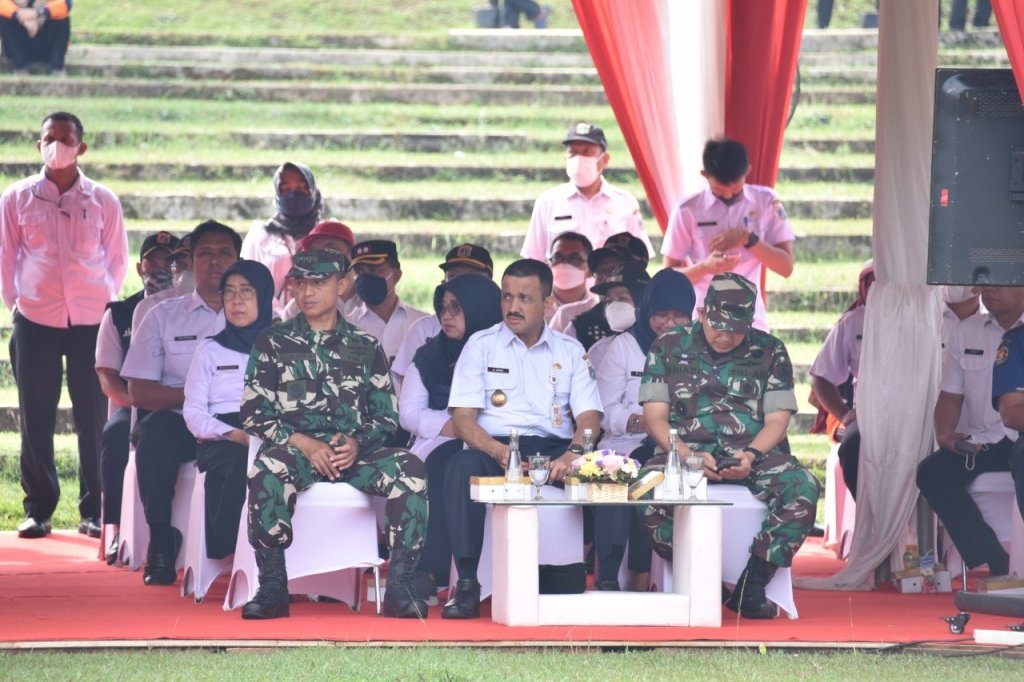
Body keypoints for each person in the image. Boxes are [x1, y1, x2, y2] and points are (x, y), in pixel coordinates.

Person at [240, 248, 429, 620]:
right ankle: (273, 587)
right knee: (266, 471)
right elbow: (253, 412)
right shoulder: (272, 342)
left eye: (319, 282)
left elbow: (386, 416)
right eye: (300, 282)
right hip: (296, 453)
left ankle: (401, 588)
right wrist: (304, 443)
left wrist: (357, 444)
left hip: (354, 456)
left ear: (343, 284)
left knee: (411, 469)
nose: (307, 291)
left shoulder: (365, 345)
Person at [637, 273, 819, 619]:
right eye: (718, 327)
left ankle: (754, 582)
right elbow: (655, 418)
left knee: (804, 486)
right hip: (685, 454)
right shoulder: (668, 345)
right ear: (702, 313)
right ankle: (705, 577)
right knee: (643, 488)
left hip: (753, 454)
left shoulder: (770, 350)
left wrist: (751, 455)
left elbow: (777, 420)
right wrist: (688, 457)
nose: (725, 337)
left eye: (735, 330)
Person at [441, 258, 603, 619]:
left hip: (555, 450)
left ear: (548, 304)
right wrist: (497, 450)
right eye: (507, 296)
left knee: (607, 474)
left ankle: (606, 581)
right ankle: (467, 583)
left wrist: (574, 454)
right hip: (495, 446)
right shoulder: (481, 345)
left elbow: (590, 417)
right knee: (460, 465)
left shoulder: (570, 350)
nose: (513, 307)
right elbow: (463, 420)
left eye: (524, 299)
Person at [1, 111, 128, 540]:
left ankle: (95, 509)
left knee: (93, 415)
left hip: (91, 320)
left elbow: (117, 259)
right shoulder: (17, 197)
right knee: (35, 416)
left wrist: (101, 300)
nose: (57, 145)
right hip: (35, 318)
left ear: (81, 147)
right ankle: (38, 509)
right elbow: (6, 256)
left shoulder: (103, 200)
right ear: (38, 145)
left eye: (66, 138)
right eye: (49, 138)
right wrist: (16, 303)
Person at [120, 220, 240, 585]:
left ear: (239, 260)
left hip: (238, 427)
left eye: (224, 253)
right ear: (190, 260)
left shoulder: (263, 317)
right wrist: (196, 399)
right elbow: (139, 391)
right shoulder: (162, 316)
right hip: (179, 423)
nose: (215, 261)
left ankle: (236, 552)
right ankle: (161, 538)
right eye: (205, 253)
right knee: (155, 432)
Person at [398, 274, 503, 597]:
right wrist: (457, 426)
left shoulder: (505, 352)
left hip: (498, 440)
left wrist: (480, 432)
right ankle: (432, 569)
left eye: (457, 307)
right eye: (443, 307)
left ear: (480, 308)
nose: (447, 315)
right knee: (445, 463)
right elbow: (409, 413)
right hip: (442, 438)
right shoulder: (430, 356)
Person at [591, 269, 688, 591]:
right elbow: (604, 410)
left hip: (676, 446)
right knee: (613, 472)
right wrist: (645, 422)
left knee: (655, 473)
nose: (669, 323)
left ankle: (646, 574)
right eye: (661, 314)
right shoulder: (625, 346)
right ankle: (609, 575)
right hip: (625, 441)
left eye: (678, 315)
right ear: (646, 311)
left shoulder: (696, 350)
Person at [918, 285, 1024, 578]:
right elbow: (950, 396)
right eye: (984, 281)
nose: (989, 288)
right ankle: (995, 559)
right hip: (985, 442)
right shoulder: (967, 331)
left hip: (1021, 436)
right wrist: (944, 435)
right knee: (931, 473)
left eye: (1000, 282)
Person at [95, 230, 178, 562]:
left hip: (181, 405)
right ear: (139, 267)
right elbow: (108, 378)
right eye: (152, 260)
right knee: (116, 433)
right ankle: (118, 529)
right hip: (135, 404)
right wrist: (141, 403)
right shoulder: (119, 313)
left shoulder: (191, 309)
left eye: (169, 261)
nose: (161, 267)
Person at [183, 260, 275, 560]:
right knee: (238, 464)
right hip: (222, 437)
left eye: (246, 291)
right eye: (230, 292)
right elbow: (194, 412)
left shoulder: (284, 348)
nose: (236, 301)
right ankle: (235, 551)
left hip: (274, 430)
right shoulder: (209, 350)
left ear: (264, 296)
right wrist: (231, 433)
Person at [661, 137, 795, 332]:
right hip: (703, 322)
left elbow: (786, 267)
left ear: (747, 171)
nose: (728, 196)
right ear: (705, 175)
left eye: (736, 189)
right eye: (719, 190)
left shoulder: (767, 202)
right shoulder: (687, 210)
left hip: (751, 321)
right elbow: (667, 281)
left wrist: (749, 239)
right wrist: (704, 267)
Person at [521, 122, 651, 262]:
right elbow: (533, 259)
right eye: (573, 152)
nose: (578, 159)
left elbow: (640, 257)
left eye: (586, 152)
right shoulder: (548, 202)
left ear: (604, 159)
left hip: (610, 276)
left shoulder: (625, 203)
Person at [809, 260, 874, 498]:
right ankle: (869, 510)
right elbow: (820, 377)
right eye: (872, 285)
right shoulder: (853, 322)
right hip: (866, 415)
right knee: (852, 445)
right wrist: (844, 414)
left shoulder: (920, 319)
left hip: (914, 414)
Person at [391, 243, 494, 385]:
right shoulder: (423, 330)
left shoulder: (504, 331)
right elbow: (407, 390)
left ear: (489, 285)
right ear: (443, 283)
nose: (460, 284)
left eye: (470, 277)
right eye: (453, 276)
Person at [347, 239, 430, 379]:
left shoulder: (423, 324)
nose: (366, 278)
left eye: (374, 270)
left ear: (396, 275)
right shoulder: (344, 328)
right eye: (360, 272)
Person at [240, 162, 323, 303]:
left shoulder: (326, 235)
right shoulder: (260, 236)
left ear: (312, 190)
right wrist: (276, 312)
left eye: (301, 187)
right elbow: (245, 283)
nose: (294, 194)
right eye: (286, 189)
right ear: (277, 194)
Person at [549, 231, 649, 342]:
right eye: (599, 271)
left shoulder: (658, 321)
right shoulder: (579, 327)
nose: (603, 277)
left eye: (613, 269)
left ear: (638, 274)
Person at [579, 260, 651, 373]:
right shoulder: (600, 351)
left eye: (622, 298)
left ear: (643, 301)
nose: (613, 306)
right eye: (609, 301)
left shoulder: (668, 348)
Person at [279, 220, 358, 322]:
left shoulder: (373, 301)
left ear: (352, 254)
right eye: (314, 251)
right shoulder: (296, 310)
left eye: (331, 248)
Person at [132, 233, 194, 335]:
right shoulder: (148, 308)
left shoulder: (220, 306)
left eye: (191, 265)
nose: (185, 272)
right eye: (180, 265)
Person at [0, 1, 71, 74]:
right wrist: (19, 16)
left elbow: (65, 4)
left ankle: (57, 67)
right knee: (4, 19)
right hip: (20, 42)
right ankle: (20, 67)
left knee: (62, 17)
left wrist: (37, 13)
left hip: (46, 43)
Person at [544, 231, 597, 323]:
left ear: (590, 270)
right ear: (549, 265)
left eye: (574, 259)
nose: (565, 264)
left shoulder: (596, 310)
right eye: (557, 258)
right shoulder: (534, 307)